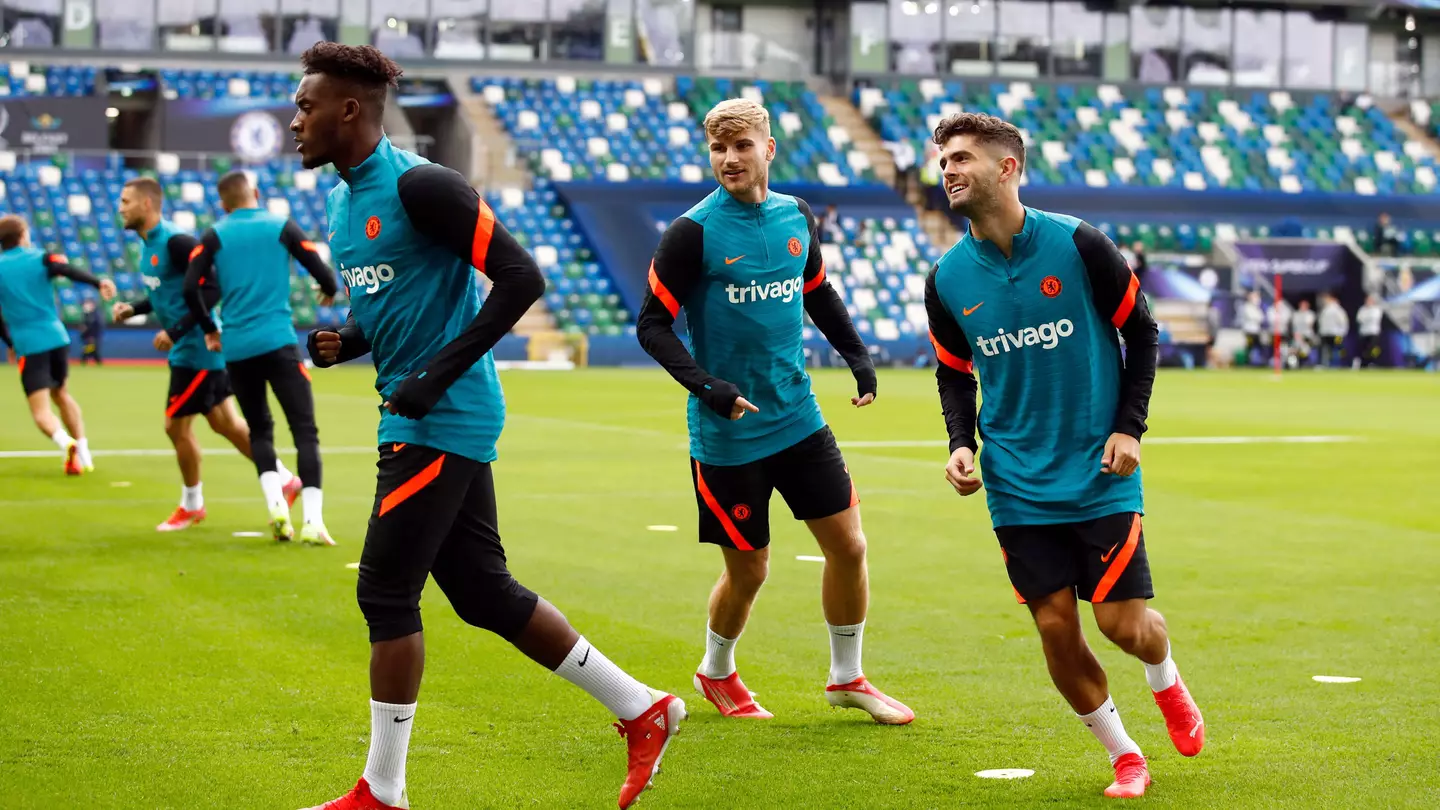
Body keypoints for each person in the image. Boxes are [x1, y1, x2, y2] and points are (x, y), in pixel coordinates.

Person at [289, 43, 683, 810]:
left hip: (445, 414)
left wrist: (437, 372)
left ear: (348, 109)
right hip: (417, 410)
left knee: (385, 592)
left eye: (306, 106)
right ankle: (644, 708)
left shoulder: (423, 186)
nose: (294, 120)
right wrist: (351, 340)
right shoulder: (343, 203)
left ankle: (383, 791)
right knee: (481, 592)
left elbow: (521, 275)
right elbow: (394, 307)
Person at [923, 112, 1203, 799]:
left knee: (1123, 626)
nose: (948, 171)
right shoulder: (947, 278)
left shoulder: (1080, 245)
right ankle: (1124, 754)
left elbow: (1144, 335)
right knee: (1054, 625)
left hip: (1098, 469)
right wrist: (962, 443)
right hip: (1015, 481)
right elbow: (954, 371)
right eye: (943, 160)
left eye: (961, 158)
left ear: (1007, 167)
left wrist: (1129, 428)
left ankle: (1164, 678)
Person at [637, 98, 912, 726]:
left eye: (741, 146)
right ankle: (716, 670)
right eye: (718, 149)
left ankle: (847, 678)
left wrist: (857, 356)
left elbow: (816, 290)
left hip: (800, 419)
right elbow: (651, 326)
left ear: (769, 148)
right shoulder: (692, 233)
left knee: (848, 545)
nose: (730, 159)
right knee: (751, 569)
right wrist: (706, 386)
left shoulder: (796, 215)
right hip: (728, 434)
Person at [114, 176, 302, 531]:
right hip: (193, 347)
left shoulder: (177, 242)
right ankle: (284, 478)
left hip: (198, 348)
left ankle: (192, 504)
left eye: (125, 201)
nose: (120, 208)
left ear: (146, 204)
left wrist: (177, 330)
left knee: (175, 426)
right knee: (225, 424)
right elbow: (165, 294)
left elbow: (213, 287)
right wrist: (134, 310)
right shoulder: (147, 244)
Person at [184, 170, 338, 544]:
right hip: (278, 342)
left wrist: (209, 328)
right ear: (255, 192)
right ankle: (313, 523)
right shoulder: (281, 226)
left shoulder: (214, 235)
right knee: (305, 431)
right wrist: (328, 287)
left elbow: (191, 288)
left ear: (223, 202)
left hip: (237, 348)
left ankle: (277, 511)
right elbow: (318, 266)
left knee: (260, 430)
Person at [0, 214, 115, 475]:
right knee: (61, 393)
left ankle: (67, 443)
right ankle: (85, 452)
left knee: (41, 412)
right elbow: (66, 269)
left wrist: (9, 342)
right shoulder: (41, 257)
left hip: (29, 343)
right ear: (22, 236)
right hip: (57, 336)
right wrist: (98, 283)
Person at [1318, 293, 1349, 369]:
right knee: (1326, 349)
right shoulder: (1325, 310)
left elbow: (1343, 322)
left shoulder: (1338, 310)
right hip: (1326, 333)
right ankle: (1326, 364)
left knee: (1336, 349)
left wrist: (1342, 333)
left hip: (1336, 333)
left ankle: (1335, 365)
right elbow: (1321, 322)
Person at [1356, 293, 1384, 368]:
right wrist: (1367, 318)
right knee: (1364, 350)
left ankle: (1373, 362)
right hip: (1364, 332)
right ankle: (1364, 364)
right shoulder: (1362, 309)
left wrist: (1366, 318)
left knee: (1373, 348)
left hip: (1373, 332)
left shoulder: (1376, 309)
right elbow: (1360, 319)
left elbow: (1374, 318)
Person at [1239, 290, 1264, 366]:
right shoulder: (1247, 306)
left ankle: (1257, 362)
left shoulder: (1257, 308)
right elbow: (1253, 317)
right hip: (1249, 331)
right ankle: (1247, 362)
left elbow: (1261, 318)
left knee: (1258, 346)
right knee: (1249, 347)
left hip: (1256, 331)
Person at [1291, 299, 1317, 366]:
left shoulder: (1310, 314)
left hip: (1307, 336)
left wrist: (1303, 337)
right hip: (1297, 336)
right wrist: (1297, 335)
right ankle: (1296, 364)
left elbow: (1310, 326)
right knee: (1295, 350)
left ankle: (1309, 363)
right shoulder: (1296, 314)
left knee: (1306, 350)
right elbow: (1294, 327)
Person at [79, 298, 103, 365]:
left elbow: (97, 327)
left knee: (89, 350)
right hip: (88, 337)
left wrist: (92, 336)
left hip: (92, 337)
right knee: (92, 350)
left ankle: (84, 360)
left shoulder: (96, 314)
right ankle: (97, 361)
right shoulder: (86, 314)